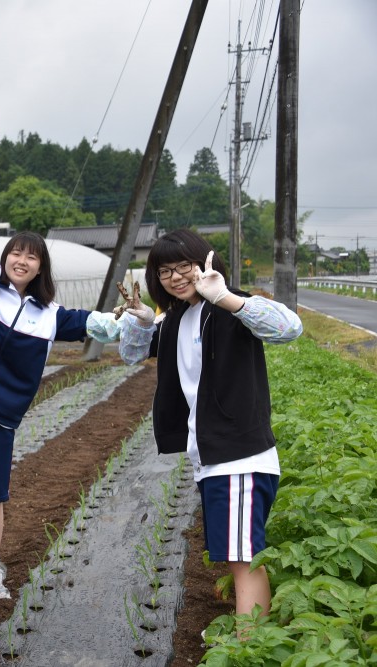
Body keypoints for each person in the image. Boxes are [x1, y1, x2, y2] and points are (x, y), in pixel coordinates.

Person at [0, 135, 124, 599]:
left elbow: (99, 324)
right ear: (6, 257)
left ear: (39, 268)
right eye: (17, 251)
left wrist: (136, 319)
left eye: (31, 256)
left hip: (1, 417)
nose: (21, 259)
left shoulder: (50, 317)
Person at [118, 228, 302, 630]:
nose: (176, 276)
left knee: (243, 559)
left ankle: (248, 650)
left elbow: (289, 328)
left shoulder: (228, 306)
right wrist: (143, 321)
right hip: (212, 458)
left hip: (239, 457)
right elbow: (130, 354)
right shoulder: (177, 318)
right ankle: (250, 645)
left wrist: (227, 298)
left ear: (206, 262)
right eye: (165, 270)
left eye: (184, 265)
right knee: (241, 555)